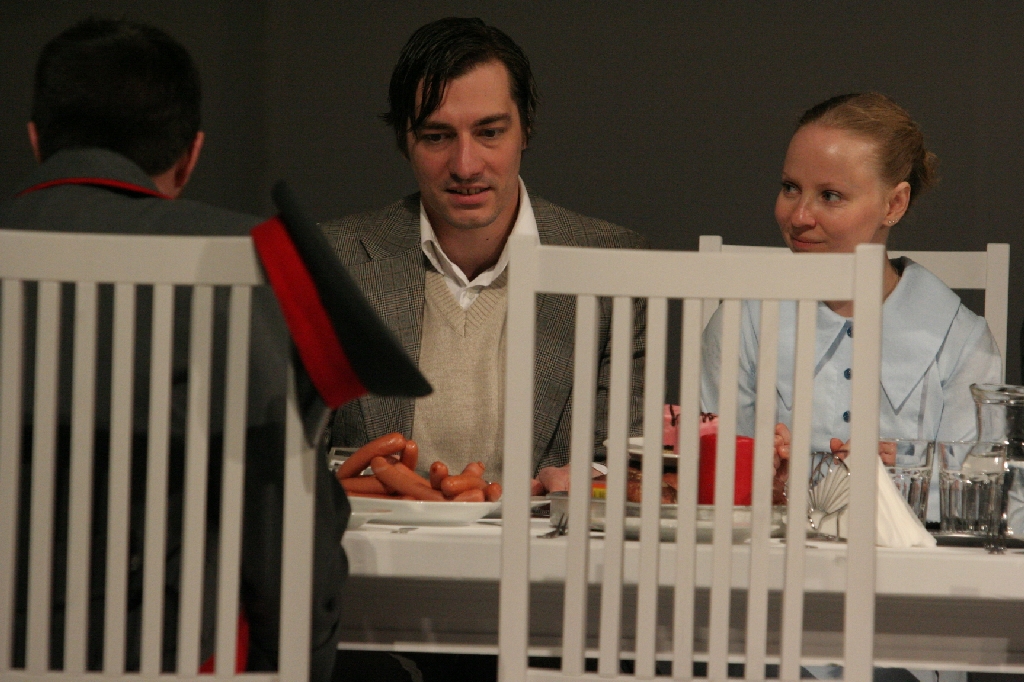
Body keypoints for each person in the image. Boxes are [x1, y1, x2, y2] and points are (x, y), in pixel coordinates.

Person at [0, 18, 347, 680]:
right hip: (165, 657)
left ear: (37, 140)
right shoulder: (247, 266)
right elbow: (283, 533)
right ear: (189, 157)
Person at [322, 17, 647, 494]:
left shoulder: (611, 264)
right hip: (371, 538)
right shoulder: (335, 260)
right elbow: (292, 451)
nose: (465, 165)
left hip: (543, 540)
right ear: (404, 142)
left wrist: (590, 479)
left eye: (489, 132)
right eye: (437, 136)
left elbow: (625, 458)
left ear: (525, 129)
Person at [701, 92, 1002, 522]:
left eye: (830, 195)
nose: (799, 216)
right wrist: (763, 484)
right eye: (790, 188)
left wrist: (906, 484)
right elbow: (710, 486)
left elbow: (983, 502)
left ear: (894, 204)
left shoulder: (961, 341)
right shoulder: (742, 323)